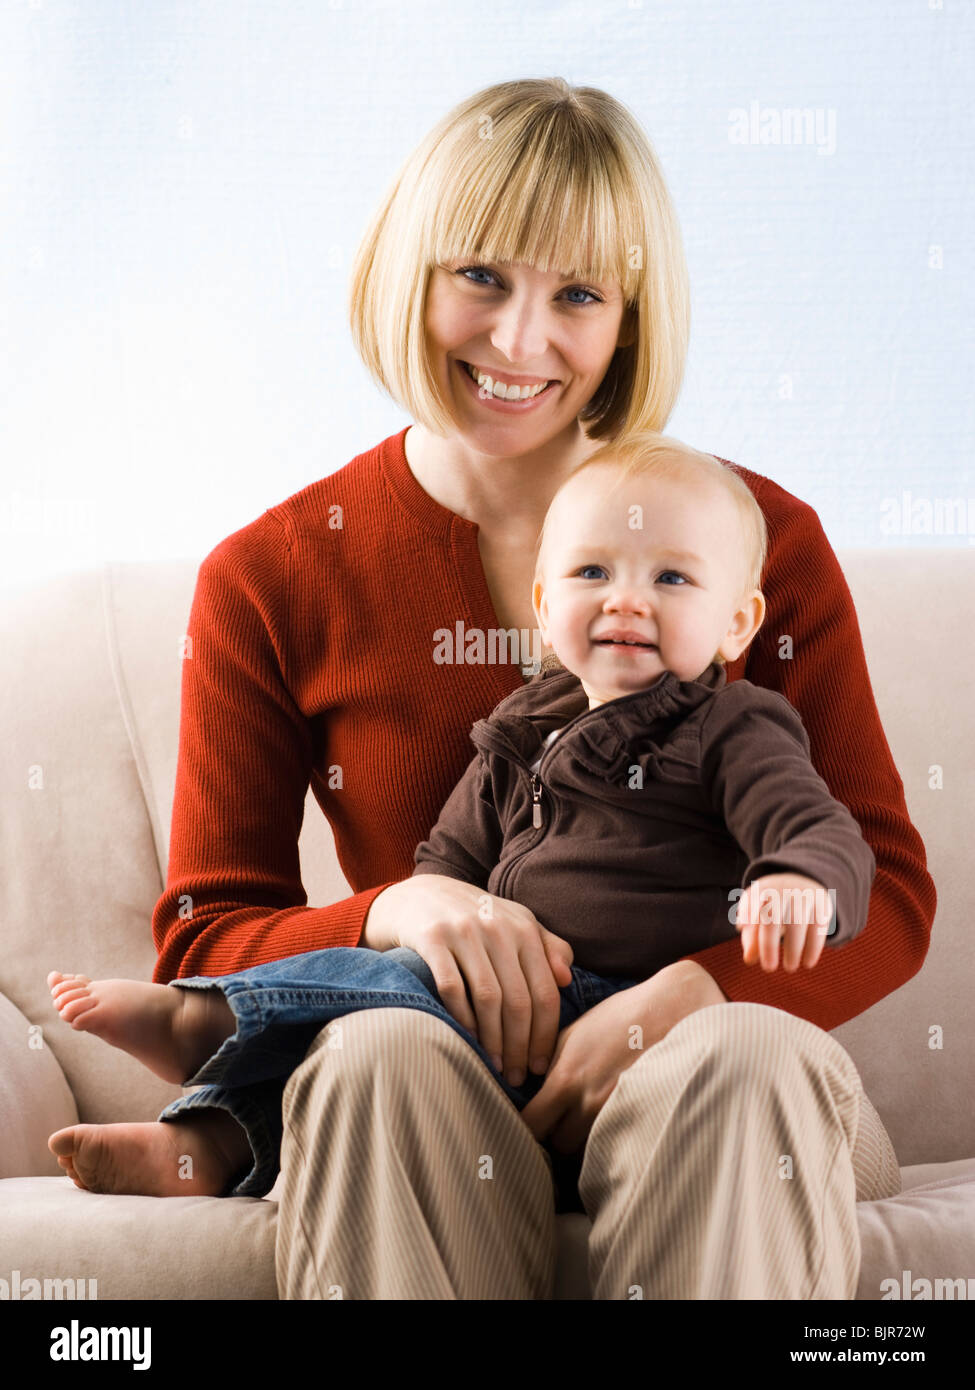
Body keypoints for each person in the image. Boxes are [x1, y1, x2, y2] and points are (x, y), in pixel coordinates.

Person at [49, 77, 936, 1298]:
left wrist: (685, 995)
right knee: (369, 1061)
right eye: (480, 276)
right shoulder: (275, 575)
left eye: (578, 293)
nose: (521, 342)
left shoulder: (756, 542)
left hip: (726, 1086)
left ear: (630, 316)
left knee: (741, 1059)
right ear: (406, 275)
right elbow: (208, 935)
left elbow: (882, 888)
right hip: (446, 1084)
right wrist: (396, 911)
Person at [46, 432, 875, 1203]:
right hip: (503, 1021)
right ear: (546, 605)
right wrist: (430, 919)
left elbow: (818, 830)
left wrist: (797, 880)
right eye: (593, 574)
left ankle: (212, 1016)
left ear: (738, 622)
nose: (627, 600)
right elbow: (445, 867)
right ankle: (210, 1137)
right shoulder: (519, 734)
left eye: (670, 579)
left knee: (395, 992)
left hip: (647, 1019)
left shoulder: (733, 725)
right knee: (391, 1000)